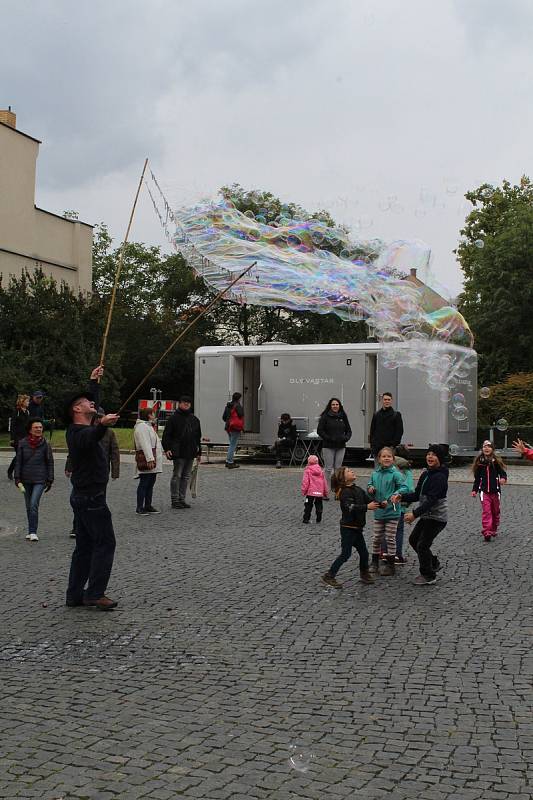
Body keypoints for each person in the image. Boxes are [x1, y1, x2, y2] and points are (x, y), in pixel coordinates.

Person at [64, 370, 120, 611]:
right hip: (91, 498)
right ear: (77, 409)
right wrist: (102, 426)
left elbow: (93, 415)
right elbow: (89, 437)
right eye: (87, 402)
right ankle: (95, 593)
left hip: (84, 497)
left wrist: (93, 382)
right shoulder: (76, 433)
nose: (92, 404)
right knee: (106, 543)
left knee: (85, 548)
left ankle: (75, 595)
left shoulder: (85, 427)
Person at [391, 444, 449, 586]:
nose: (430, 456)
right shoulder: (426, 473)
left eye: (434, 454)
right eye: (428, 454)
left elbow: (431, 500)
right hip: (426, 515)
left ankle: (428, 575)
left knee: (422, 544)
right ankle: (433, 562)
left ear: (440, 458)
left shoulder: (440, 477)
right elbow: (418, 494)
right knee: (413, 540)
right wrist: (402, 497)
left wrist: (415, 514)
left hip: (437, 517)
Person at [65, 405, 121, 537]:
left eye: (100, 417)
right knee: (81, 503)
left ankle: (93, 527)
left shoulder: (109, 433)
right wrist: (69, 466)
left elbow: (115, 453)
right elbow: (73, 452)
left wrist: (115, 471)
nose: (98, 419)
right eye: (97, 418)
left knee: (99, 500)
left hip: (100, 473)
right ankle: (77, 526)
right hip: (84, 475)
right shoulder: (84, 431)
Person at [321, 466, 380, 587]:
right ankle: (329, 575)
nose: (352, 471)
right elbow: (350, 507)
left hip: (357, 528)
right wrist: (366, 507)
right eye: (348, 471)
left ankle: (364, 573)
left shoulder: (358, 489)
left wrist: (381, 504)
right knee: (345, 554)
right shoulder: (344, 492)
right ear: (343, 478)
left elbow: (368, 500)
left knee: (364, 553)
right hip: (348, 528)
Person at [367, 446, 408, 576]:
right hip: (379, 511)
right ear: (379, 459)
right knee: (376, 537)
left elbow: (404, 487)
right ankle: (374, 562)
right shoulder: (375, 474)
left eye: (389, 456)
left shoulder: (396, 474)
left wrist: (395, 495)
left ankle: (391, 564)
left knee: (390, 538)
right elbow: (369, 485)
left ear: (393, 459)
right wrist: (371, 488)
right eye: (383, 456)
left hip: (392, 511)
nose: (386, 458)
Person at [14, 418, 54, 542]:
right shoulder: (22, 443)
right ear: (30, 429)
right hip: (25, 479)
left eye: (40, 427)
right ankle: (30, 530)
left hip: (40, 479)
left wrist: (50, 479)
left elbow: (50, 462)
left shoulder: (45, 443)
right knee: (28, 506)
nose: (39, 429)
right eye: (36, 427)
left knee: (33, 504)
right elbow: (18, 461)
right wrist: (17, 478)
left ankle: (33, 532)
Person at [162, 395, 202, 508]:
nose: (187, 404)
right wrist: (167, 449)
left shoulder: (194, 419)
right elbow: (166, 435)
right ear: (180, 404)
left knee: (186, 476)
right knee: (177, 475)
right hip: (178, 451)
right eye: (184, 402)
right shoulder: (173, 418)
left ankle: (182, 499)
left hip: (191, 451)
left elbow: (198, 437)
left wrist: (199, 453)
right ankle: (175, 500)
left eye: (188, 403)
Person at [382, 444, 414, 565]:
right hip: (399, 504)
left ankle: (384, 553)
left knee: (387, 529)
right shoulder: (406, 469)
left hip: (386, 503)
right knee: (398, 530)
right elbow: (409, 488)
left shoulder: (388, 466)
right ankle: (396, 555)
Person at [471, 441, 507, 541]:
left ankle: (493, 528)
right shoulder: (480, 462)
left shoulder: (496, 462)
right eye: (484, 447)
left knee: (495, 511)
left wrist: (503, 478)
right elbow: (477, 479)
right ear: (482, 449)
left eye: (489, 447)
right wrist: (474, 490)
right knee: (487, 511)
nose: (486, 448)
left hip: (495, 491)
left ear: (492, 449)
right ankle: (487, 531)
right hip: (484, 492)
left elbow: (503, 473)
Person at [134, 407, 163, 515]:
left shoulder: (148, 426)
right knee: (144, 483)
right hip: (147, 459)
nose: (154, 415)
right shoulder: (142, 427)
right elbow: (145, 443)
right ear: (149, 415)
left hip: (152, 458)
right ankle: (140, 507)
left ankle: (148, 505)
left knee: (150, 483)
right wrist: (150, 459)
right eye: (153, 413)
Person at [317, 398, 352, 475]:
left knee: (338, 469)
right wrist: (328, 438)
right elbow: (320, 430)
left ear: (339, 406)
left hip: (341, 446)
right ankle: (328, 487)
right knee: (328, 469)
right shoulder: (325, 416)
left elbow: (349, 431)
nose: (335, 406)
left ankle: (337, 487)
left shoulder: (343, 416)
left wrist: (345, 438)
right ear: (330, 406)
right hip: (328, 446)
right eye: (333, 404)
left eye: (337, 404)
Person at [369, 392, 403, 458]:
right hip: (377, 448)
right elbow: (372, 431)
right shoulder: (376, 415)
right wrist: (373, 444)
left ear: (391, 401)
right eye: (385, 399)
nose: (387, 401)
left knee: (388, 467)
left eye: (388, 399)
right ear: (382, 400)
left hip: (390, 448)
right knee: (378, 468)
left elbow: (399, 432)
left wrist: (393, 445)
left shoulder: (396, 415)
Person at [7, 393, 30, 480]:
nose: (28, 402)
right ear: (22, 402)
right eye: (27, 401)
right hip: (17, 437)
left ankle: (17, 472)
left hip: (25, 437)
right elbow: (13, 425)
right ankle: (11, 471)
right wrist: (12, 438)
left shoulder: (27, 412)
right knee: (19, 455)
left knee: (23, 455)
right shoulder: (16, 412)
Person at [301, 454, 329, 524]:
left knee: (308, 505)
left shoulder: (307, 470)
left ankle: (306, 519)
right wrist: (326, 492)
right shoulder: (321, 471)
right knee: (319, 504)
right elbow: (324, 482)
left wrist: (304, 491)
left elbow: (305, 482)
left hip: (310, 493)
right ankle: (319, 517)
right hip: (319, 493)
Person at [222, 392, 244, 469]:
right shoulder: (238, 405)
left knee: (231, 444)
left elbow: (224, 417)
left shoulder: (228, 405)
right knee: (233, 445)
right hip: (235, 427)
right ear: (239, 398)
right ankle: (230, 462)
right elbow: (241, 414)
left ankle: (228, 461)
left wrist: (229, 421)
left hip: (228, 427)